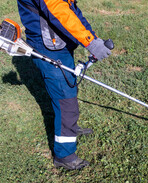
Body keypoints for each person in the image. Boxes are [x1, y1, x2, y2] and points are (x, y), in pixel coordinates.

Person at [17, 0, 111, 170]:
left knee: (68, 91)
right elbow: (59, 11)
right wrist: (89, 41)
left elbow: (72, 10)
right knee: (65, 101)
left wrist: (93, 39)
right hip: (49, 48)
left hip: (57, 43)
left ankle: (69, 129)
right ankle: (64, 156)